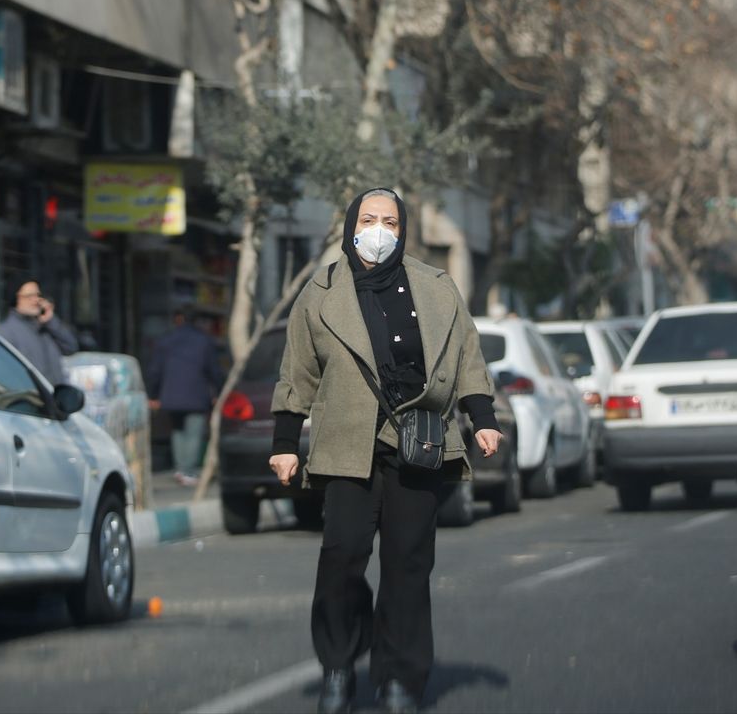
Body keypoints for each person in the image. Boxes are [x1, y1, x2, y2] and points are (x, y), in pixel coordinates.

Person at [269, 188, 502, 714]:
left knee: (407, 564)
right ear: (351, 226)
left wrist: (482, 418)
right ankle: (338, 665)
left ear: (403, 230)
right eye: (369, 220)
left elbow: (466, 355)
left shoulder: (436, 286)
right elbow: (297, 372)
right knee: (342, 556)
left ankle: (400, 677)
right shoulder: (320, 291)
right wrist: (285, 443)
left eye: (390, 222)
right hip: (345, 442)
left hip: (418, 442)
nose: (379, 230)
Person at [145, 306, 224, 486]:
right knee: (193, 433)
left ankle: (181, 469)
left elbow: (155, 371)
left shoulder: (166, 341)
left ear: (177, 319)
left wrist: (153, 395)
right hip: (196, 394)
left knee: (178, 431)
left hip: (171, 395)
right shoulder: (204, 341)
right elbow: (214, 371)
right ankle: (188, 471)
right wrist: (218, 392)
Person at [0, 279, 79, 386]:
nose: (36, 300)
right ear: (16, 299)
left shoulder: (46, 326)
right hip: (31, 394)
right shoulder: (7, 331)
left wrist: (51, 321)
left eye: (37, 295)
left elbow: (71, 347)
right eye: (29, 296)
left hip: (55, 392)